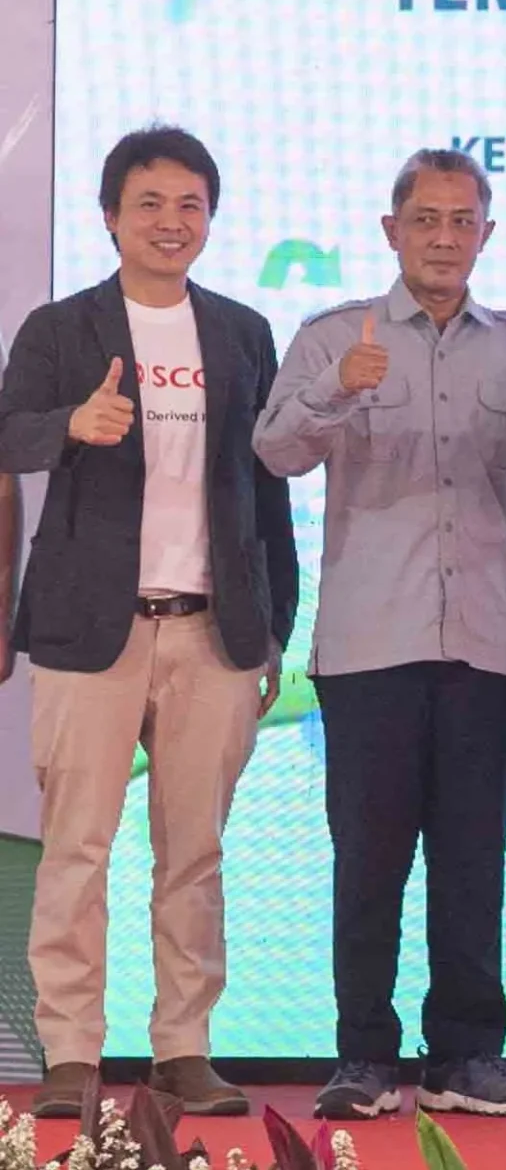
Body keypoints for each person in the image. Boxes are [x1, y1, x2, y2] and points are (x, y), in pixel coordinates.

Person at [253, 149, 506, 1121]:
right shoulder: (331, 336)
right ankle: (363, 1056)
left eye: (462, 220)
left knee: (473, 860)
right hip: (368, 647)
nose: (444, 237)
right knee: (369, 860)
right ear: (392, 231)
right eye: (425, 219)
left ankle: (465, 1056)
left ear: (487, 233)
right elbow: (274, 450)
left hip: (488, 643)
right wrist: (338, 388)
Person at [0, 126, 297, 1119]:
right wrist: (69, 427)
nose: (171, 222)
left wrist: (274, 623)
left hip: (215, 630)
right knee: (76, 847)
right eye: (150, 204)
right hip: (92, 631)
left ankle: (183, 1048)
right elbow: (6, 433)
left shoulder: (243, 332)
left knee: (194, 853)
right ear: (110, 216)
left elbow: (265, 486)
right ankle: (70, 1053)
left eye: (190, 206)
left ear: (210, 217)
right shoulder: (61, 327)